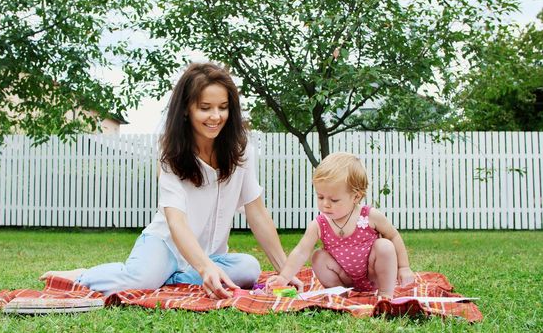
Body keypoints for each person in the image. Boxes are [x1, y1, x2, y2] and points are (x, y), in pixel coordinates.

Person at [41, 62, 301, 298]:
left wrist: (285, 272)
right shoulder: (171, 156)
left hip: (209, 255)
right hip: (165, 244)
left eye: (223, 108)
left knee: (248, 269)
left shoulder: (241, 152)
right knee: (140, 281)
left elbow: (256, 213)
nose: (216, 117)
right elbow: (176, 221)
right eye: (205, 108)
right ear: (187, 109)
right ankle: (84, 275)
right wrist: (205, 268)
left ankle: (170, 280)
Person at [266, 152, 414, 298]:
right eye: (320, 197)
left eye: (334, 200)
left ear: (356, 197)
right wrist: (284, 277)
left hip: (373, 275)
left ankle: (385, 294)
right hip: (343, 277)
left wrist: (404, 267)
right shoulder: (319, 224)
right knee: (318, 257)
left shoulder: (369, 216)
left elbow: (393, 236)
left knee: (385, 245)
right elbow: (301, 251)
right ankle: (339, 294)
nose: (325, 204)